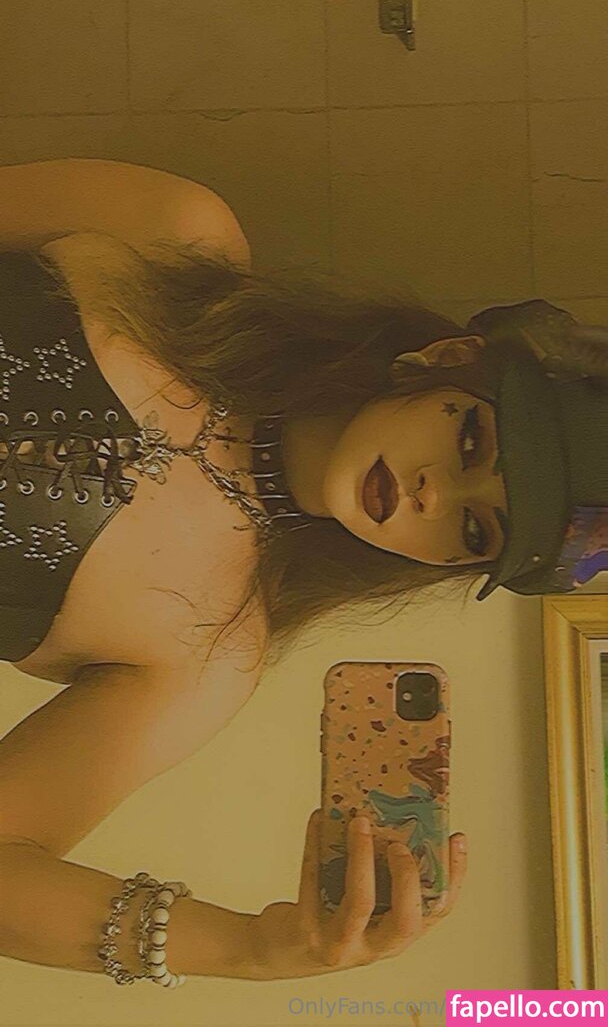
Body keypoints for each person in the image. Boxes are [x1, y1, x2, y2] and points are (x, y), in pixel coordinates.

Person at [0, 158, 605, 988]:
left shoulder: (208, 652)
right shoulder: (174, 236)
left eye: (475, 528)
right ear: (446, 357)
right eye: (470, 442)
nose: (435, 494)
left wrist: (253, 949)